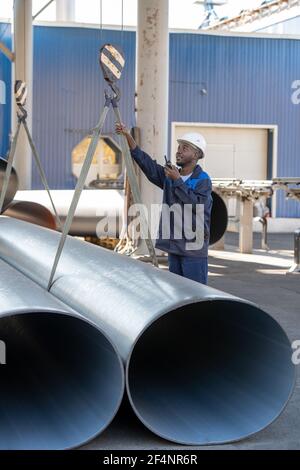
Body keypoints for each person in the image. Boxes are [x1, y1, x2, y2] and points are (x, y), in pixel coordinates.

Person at [115, 124, 212, 285]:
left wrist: (178, 181)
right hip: (175, 247)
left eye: (185, 148)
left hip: (193, 250)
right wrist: (128, 137)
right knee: (177, 295)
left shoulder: (203, 180)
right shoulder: (170, 176)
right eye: (179, 147)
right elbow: (148, 165)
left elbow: (196, 205)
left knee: (196, 296)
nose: (179, 151)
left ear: (196, 154)